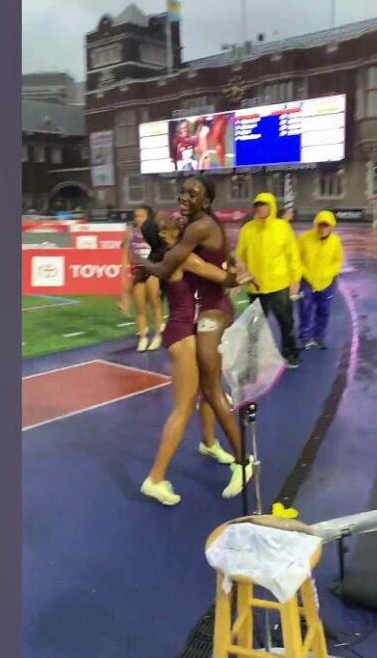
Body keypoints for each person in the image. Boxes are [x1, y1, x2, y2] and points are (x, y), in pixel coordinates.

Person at [136, 176, 255, 498]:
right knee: (193, 399)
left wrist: (236, 268)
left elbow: (217, 261)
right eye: (167, 219)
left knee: (209, 389)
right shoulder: (181, 249)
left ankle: (214, 445)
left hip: (202, 319)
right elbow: (209, 270)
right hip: (186, 328)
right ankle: (159, 476)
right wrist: (236, 275)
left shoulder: (192, 233)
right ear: (164, 234)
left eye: (192, 193)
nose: (177, 208)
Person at [235, 192, 304, 368]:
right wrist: (237, 276)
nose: (260, 209)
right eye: (257, 206)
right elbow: (239, 256)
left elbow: (292, 255)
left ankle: (290, 353)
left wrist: (295, 279)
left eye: (264, 205)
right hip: (256, 286)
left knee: (286, 322)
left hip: (279, 284)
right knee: (254, 325)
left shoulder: (283, 227)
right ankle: (253, 357)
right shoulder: (247, 230)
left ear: (271, 206)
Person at [297, 210, 344, 350]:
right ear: (316, 225)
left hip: (327, 282)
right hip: (306, 281)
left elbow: (338, 260)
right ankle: (304, 337)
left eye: (326, 226)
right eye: (320, 225)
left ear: (331, 227)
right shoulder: (304, 238)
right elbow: (295, 259)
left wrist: (328, 273)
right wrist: (304, 273)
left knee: (324, 310)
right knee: (305, 309)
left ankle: (319, 337)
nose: (323, 229)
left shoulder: (335, 241)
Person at [120, 205, 163, 351]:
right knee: (140, 307)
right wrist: (125, 275)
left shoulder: (154, 232)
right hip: (138, 271)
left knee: (155, 304)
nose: (138, 219)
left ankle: (157, 336)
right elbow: (125, 254)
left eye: (142, 216)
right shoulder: (130, 232)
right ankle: (143, 338)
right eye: (136, 216)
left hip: (152, 270)